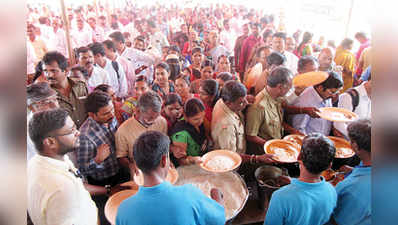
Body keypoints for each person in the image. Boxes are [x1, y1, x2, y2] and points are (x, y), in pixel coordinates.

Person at [115, 131, 225, 225]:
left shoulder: (123, 210)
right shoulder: (189, 194)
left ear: (137, 165)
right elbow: (219, 219)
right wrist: (217, 196)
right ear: (164, 160)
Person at [28, 109, 98, 225]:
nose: (78, 132)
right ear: (50, 142)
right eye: (71, 131)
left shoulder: (43, 160)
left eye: (75, 127)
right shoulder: (61, 188)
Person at [77, 91, 129, 225]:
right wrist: (97, 160)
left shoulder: (112, 119)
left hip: (120, 172)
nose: (111, 114)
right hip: (103, 183)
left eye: (111, 109)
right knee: (109, 216)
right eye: (106, 113)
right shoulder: (85, 136)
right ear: (92, 115)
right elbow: (83, 170)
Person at [264, 133, 337, 225]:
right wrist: (292, 182)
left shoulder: (280, 197)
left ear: (298, 157)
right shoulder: (332, 190)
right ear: (329, 166)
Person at [115, 91, 167, 177]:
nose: (154, 121)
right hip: (139, 174)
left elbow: (164, 146)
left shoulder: (162, 122)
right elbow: (121, 157)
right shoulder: (122, 131)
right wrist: (130, 165)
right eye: (149, 118)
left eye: (157, 117)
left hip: (160, 169)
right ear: (137, 110)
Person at [331, 119, 371, 225]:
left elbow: (336, 221)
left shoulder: (351, 188)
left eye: (351, 141)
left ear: (356, 147)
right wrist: (354, 171)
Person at [246, 67, 293, 154]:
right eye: (288, 88)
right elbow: (250, 135)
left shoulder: (277, 98)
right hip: (265, 153)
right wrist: (271, 145)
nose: (289, 91)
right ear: (280, 87)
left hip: (277, 145)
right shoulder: (258, 106)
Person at [42, 51, 88, 128]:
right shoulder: (47, 96)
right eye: (45, 71)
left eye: (53, 71)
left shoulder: (81, 86)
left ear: (66, 71)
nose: (48, 75)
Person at [291, 71, 343, 135]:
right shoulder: (305, 102)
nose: (333, 96)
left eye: (336, 92)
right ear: (320, 87)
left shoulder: (326, 95)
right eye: (332, 92)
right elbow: (299, 129)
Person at [170, 98, 209, 166]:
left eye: (202, 116)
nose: (201, 121)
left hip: (203, 159)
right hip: (190, 167)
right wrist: (192, 160)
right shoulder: (180, 134)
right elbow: (180, 161)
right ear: (186, 117)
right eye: (196, 119)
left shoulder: (199, 121)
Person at [27, 82, 59, 161]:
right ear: (32, 107)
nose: (55, 105)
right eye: (47, 102)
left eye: (55, 99)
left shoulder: (58, 118)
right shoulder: (30, 130)